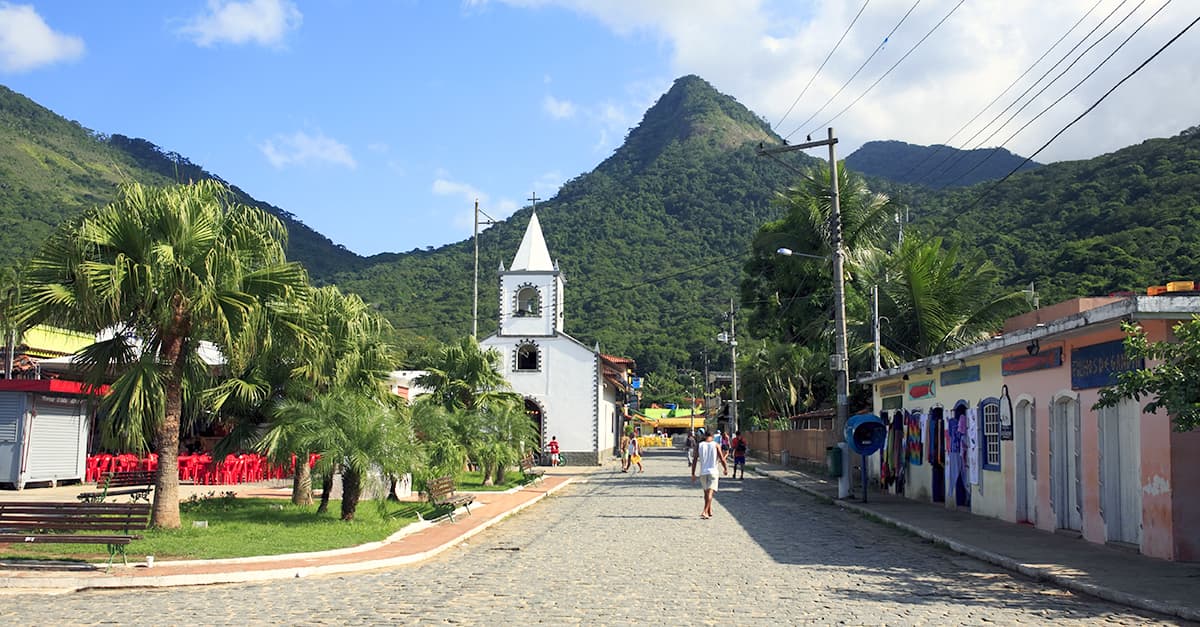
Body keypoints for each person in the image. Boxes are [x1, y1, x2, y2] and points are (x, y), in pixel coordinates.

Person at [691, 429, 727, 519]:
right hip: (713, 472)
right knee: (710, 493)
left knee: (706, 493)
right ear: (713, 437)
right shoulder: (716, 445)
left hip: (703, 472)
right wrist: (725, 468)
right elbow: (722, 459)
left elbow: (695, 459)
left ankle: (709, 510)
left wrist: (693, 473)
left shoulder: (699, 445)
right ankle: (705, 511)